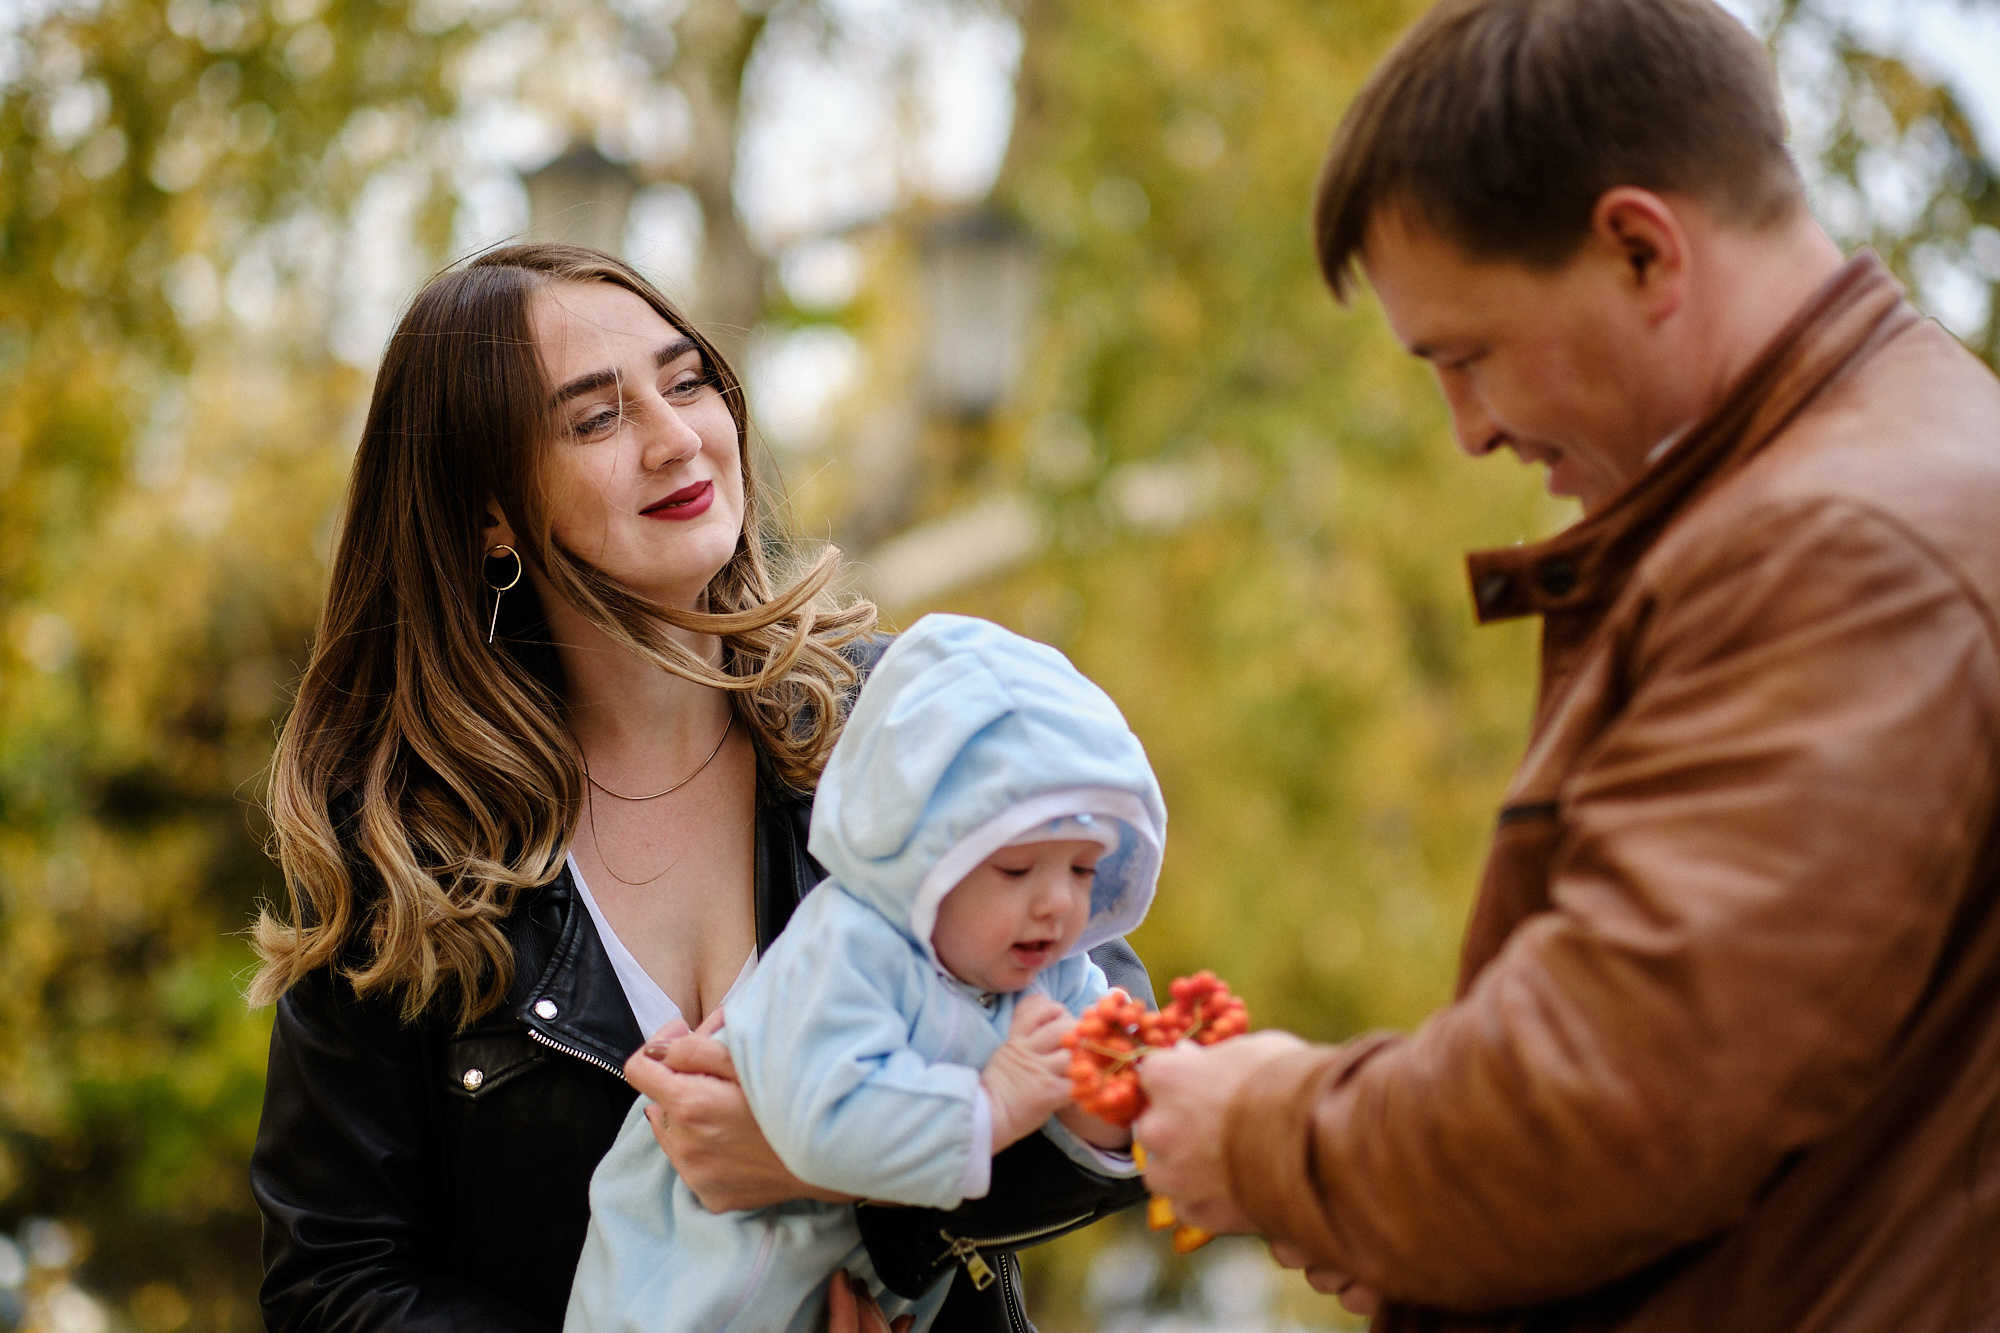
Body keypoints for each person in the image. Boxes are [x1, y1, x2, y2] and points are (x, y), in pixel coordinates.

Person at [1131, 1, 2000, 1329]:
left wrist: (1265, 1135)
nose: (1469, 431)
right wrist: (1409, 1197)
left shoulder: (1836, 553)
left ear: (1643, 250)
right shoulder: (1892, 482)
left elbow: (1612, 1102)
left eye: (1467, 356)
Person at [248, 243, 1148, 1333]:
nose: (676, 439)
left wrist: (843, 1173)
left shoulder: (904, 726)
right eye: (594, 419)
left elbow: (1107, 1060)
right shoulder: (400, 848)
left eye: (686, 382)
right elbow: (333, 1283)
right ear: (490, 512)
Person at [568, 613, 1161, 1333]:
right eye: (1015, 867)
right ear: (926, 855)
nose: (1058, 904)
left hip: (833, 1293)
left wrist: (1112, 1091)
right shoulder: (847, 949)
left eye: (1083, 867)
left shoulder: (1045, 964)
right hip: (686, 1293)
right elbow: (822, 1122)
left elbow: (1099, 1119)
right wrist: (995, 1106)